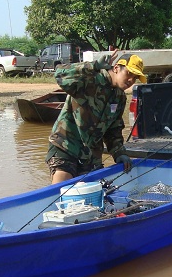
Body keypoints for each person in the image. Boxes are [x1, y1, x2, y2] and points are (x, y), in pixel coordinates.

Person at [46, 52, 147, 184]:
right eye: (129, 74)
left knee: (92, 198)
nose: (131, 81)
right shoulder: (89, 79)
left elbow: (114, 129)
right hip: (65, 148)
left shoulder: (119, 97)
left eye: (135, 78)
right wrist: (93, 66)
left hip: (91, 156)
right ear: (116, 68)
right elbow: (60, 73)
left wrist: (119, 153)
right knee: (61, 193)